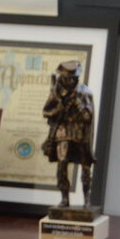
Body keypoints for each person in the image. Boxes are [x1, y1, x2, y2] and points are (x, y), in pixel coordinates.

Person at [41, 59, 96, 208]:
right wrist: (57, 109)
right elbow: (46, 112)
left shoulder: (84, 92)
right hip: (62, 132)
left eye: (73, 78)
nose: (71, 81)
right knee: (62, 164)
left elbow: (88, 117)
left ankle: (87, 199)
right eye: (67, 78)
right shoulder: (56, 92)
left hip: (79, 132)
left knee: (85, 165)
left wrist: (78, 104)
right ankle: (64, 199)